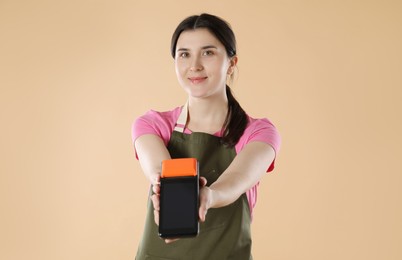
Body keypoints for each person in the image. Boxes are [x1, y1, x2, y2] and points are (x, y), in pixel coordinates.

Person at [132, 13, 281, 260]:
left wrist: (208, 196)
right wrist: (168, 196)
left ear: (231, 63)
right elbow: (160, 169)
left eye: (208, 52)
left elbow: (236, 179)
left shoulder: (259, 133)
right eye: (184, 54)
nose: (195, 65)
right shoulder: (152, 125)